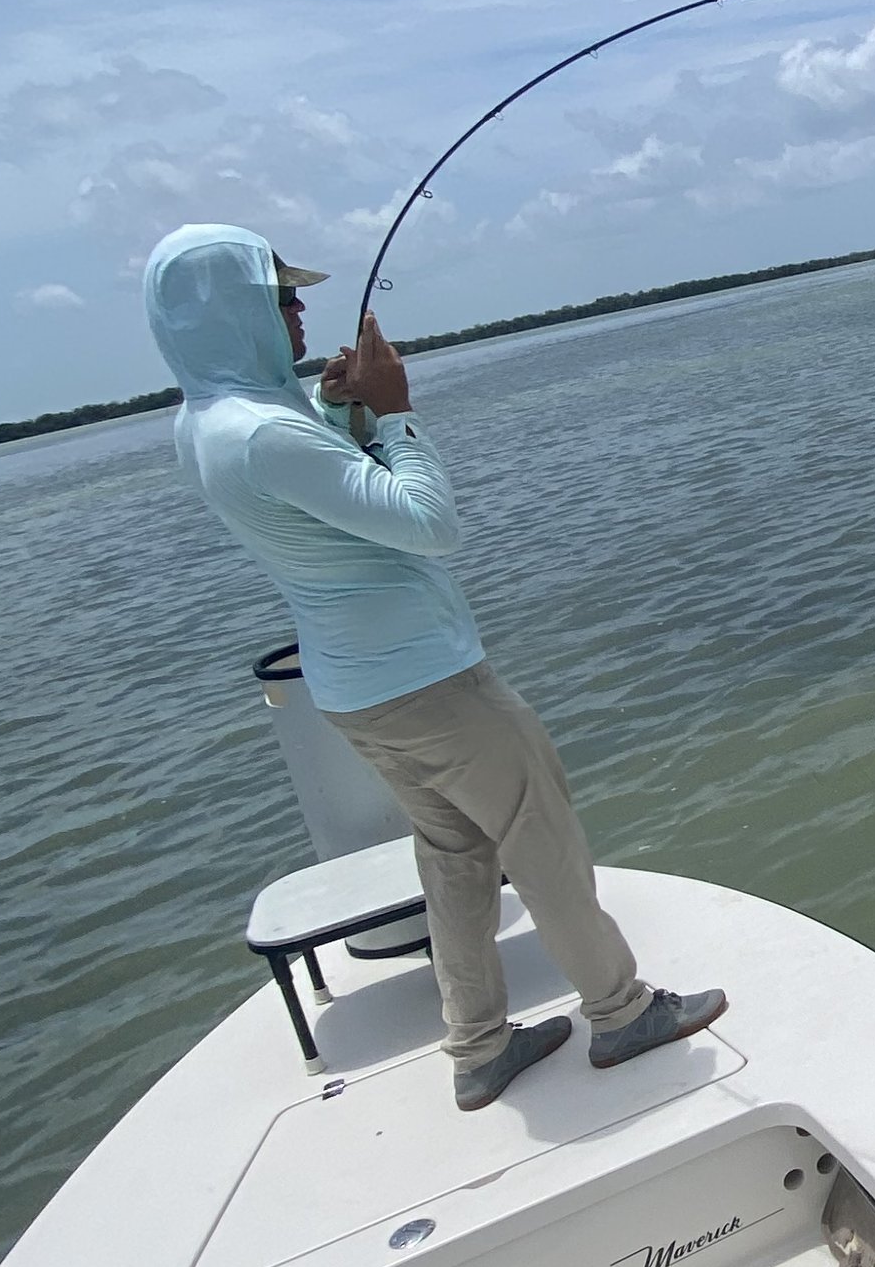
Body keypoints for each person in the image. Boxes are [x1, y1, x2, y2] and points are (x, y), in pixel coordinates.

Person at [142, 223, 726, 1110]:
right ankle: (622, 1010)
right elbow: (428, 524)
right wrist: (398, 410)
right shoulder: (264, 431)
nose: (301, 310)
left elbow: (320, 496)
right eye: (281, 297)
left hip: (356, 691)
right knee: (544, 842)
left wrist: (344, 415)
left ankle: (479, 1045)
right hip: (428, 682)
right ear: (234, 311)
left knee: (455, 855)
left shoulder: (207, 423)